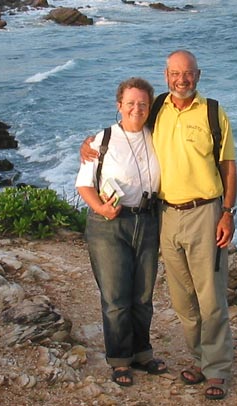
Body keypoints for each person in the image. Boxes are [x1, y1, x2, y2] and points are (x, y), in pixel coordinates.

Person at [81, 50, 237, 400]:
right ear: (166, 76)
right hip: (164, 215)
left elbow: (228, 166)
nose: (182, 79)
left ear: (198, 75)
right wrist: (87, 144)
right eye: (175, 74)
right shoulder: (159, 109)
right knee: (183, 299)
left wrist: (228, 212)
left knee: (210, 297)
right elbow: (125, 128)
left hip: (205, 213)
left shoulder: (213, 112)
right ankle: (200, 360)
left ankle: (217, 370)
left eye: (189, 73)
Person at [75, 77, 167, 387]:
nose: (137, 109)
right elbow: (84, 184)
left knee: (143, 295)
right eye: (130, 103)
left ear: (150, 107)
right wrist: (101, 209)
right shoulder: (102, 140)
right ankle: (119, 359)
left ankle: (142, 353)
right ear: (119, 106)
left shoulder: (157, 136)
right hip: (108, 224)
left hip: (148, 220)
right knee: (115, 297)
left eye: (143, 104)